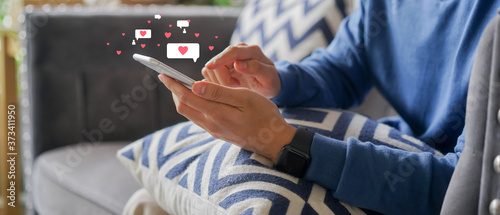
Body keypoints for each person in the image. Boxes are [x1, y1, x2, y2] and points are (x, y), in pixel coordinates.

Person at [158, 1, 500, 214]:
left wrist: (284, 145)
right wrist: (276, 81)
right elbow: (344, 66)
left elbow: (458, 188)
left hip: (424, 183)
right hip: (397, 148)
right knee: (150, 204)